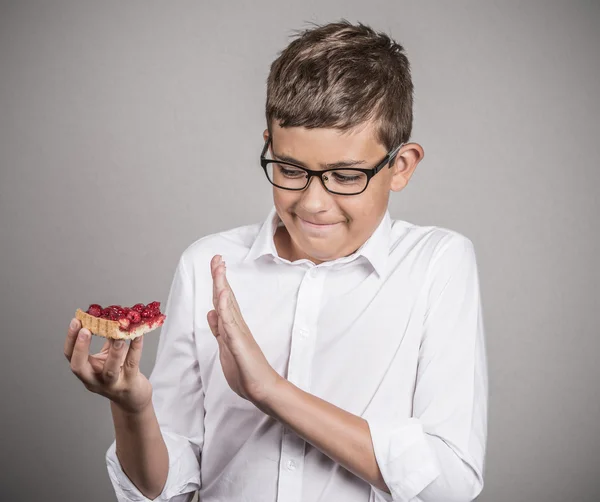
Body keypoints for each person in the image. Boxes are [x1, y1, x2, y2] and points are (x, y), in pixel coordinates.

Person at [64, 20, 488, 502]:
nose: (312, 203)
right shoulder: (208, 263)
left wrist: (269, 390)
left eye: (345, 176)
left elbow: (450, 482)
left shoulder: (437, 265)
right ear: (269, 144)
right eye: (289, 170)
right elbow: (168, 488)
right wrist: (133, 407)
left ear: (401, 166)